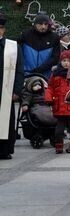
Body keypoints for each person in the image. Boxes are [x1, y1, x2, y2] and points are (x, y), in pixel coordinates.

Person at [0, 14, 24, 160]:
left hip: (6, 90)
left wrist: (17, 90)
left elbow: (20, 70)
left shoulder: (13, 47)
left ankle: (4, 150)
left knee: (5, 121)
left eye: (1, 28)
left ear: (4, 30)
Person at [47, 50, 70, 154]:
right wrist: (48, 98)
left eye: (69, 61)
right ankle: (59, 145)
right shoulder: (55, 75)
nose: (66, 63)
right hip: (59, 107)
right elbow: (50, 87)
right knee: (59, 130)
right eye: (64, 60)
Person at [19, 13, 59, 79]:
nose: (43, 27)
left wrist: (40, 69)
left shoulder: (54, 37)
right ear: (35, 24)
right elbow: (18, 52)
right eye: (40, 24)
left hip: (46, 75)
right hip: (26, 74)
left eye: (46, 24)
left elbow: (55, 58)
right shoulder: (25, 34)